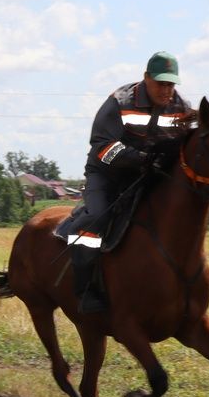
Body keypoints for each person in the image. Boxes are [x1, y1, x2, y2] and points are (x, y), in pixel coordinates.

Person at [71, 51, 191, 313]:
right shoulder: (119, 101)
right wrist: (140, 159)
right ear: (146, 78)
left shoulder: (180, 107)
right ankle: (85, 291)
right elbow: (102, 147)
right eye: (161, 83)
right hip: (106, 174)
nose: (166, 90)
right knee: (96, 219)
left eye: (171, 84)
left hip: (147, 175)